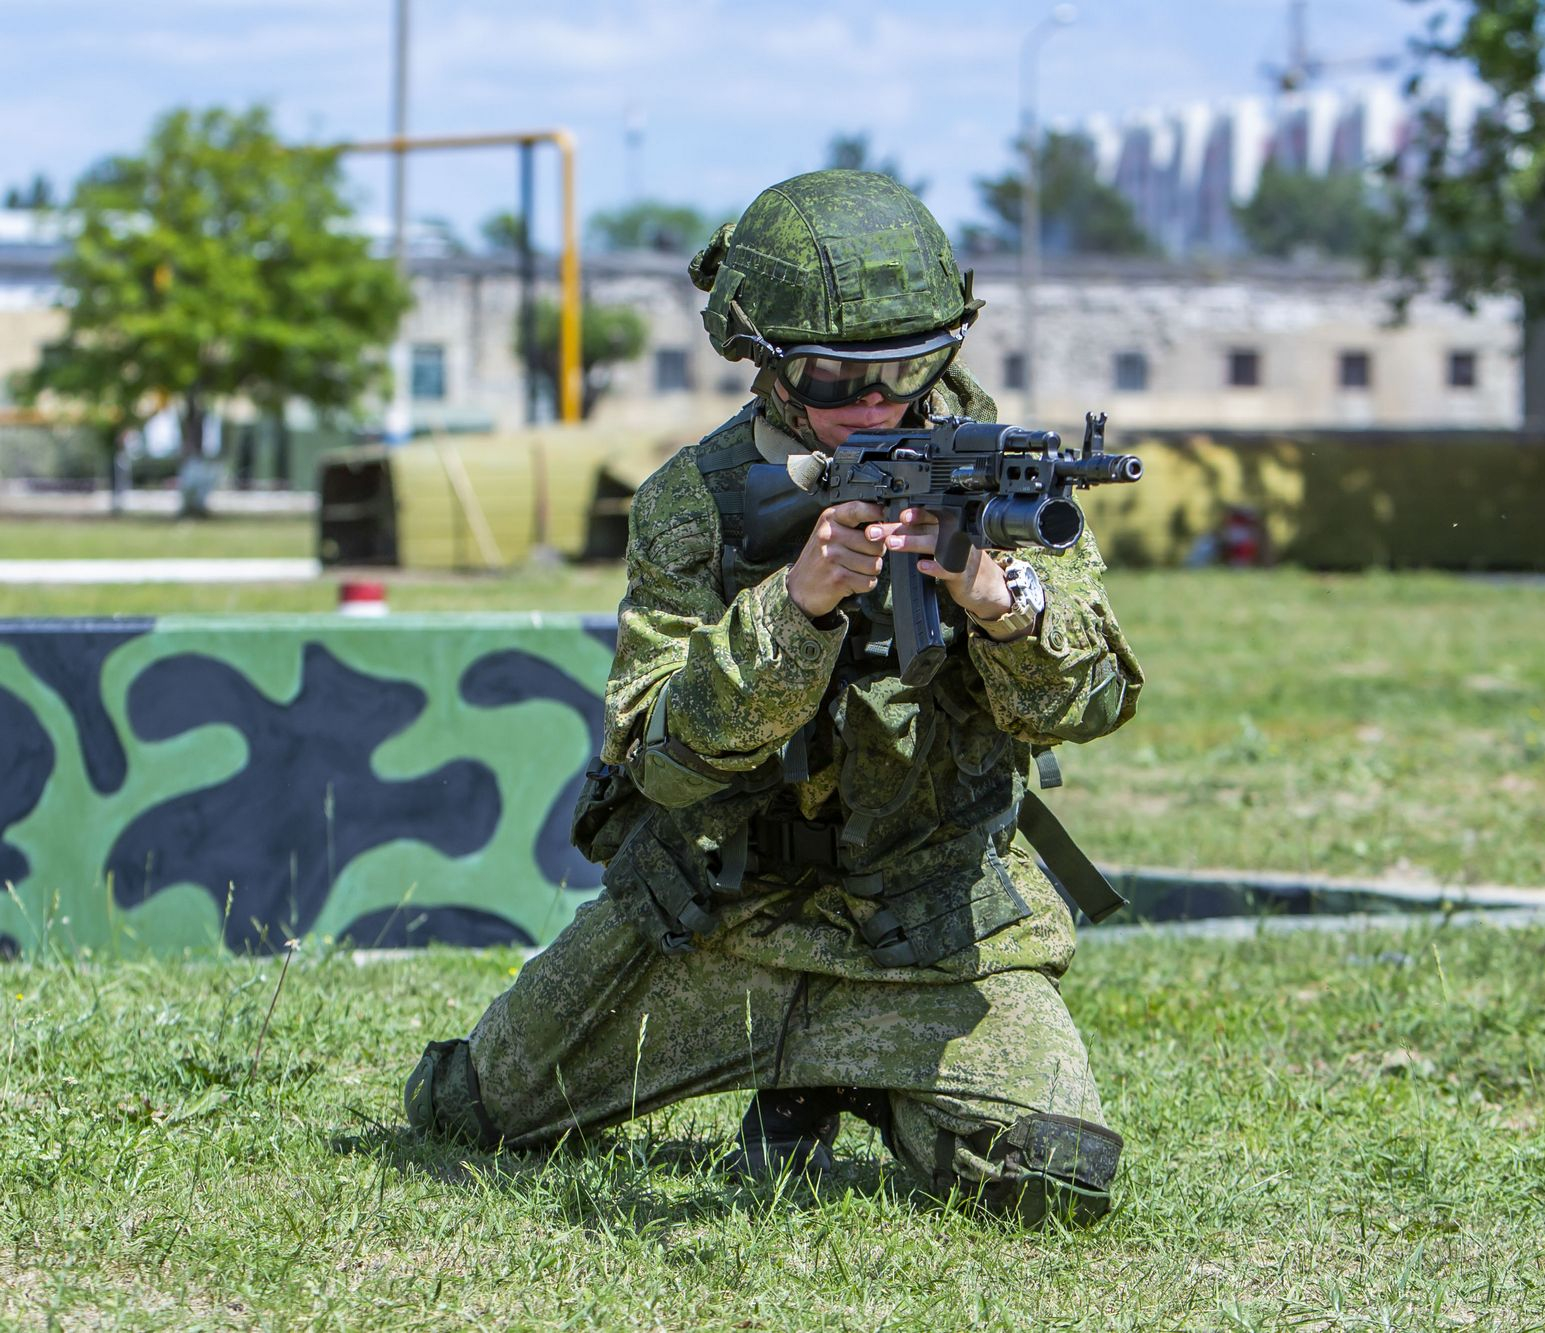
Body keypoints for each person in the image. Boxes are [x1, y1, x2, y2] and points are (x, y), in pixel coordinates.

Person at [402, 169, 1144, 1224]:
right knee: (463, 1114)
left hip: (926, 931)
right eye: (838, 379)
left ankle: (854, 1074)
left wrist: (995, 598)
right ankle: (809, 1066)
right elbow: (659, 754)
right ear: (764, 365)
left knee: (1045, 1174)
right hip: (713, 916)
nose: (880, 405)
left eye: (912, 368)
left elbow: (1094, 700)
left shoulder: (1005, 476)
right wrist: (794, 609)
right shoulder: (693, 505)